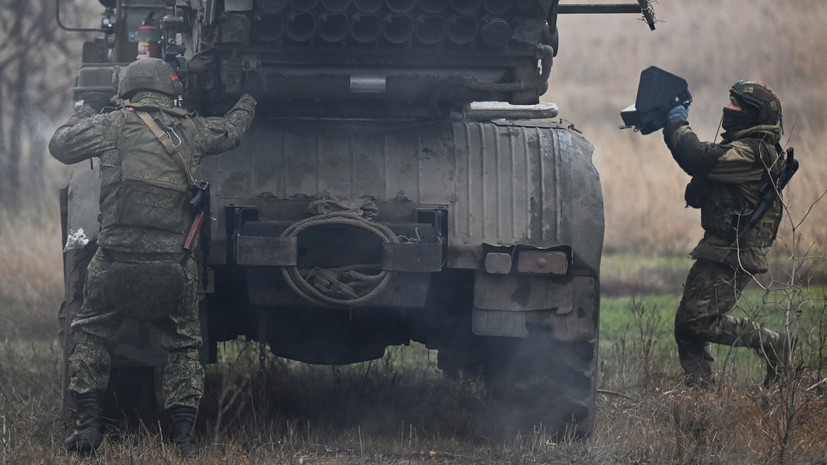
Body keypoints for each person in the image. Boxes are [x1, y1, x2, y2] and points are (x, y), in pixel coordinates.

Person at [49, 58, 257, 456]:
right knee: (182, 346)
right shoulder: (192, 129)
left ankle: (88, 427)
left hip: (113, 263)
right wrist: (250, 96)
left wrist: (90, 107)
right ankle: (184, 439)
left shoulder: (111, 125)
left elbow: (60, 144)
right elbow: (233, 130)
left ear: (126, 91)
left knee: (90, 332)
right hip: (172, 268)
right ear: (169, 92)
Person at [662, 80, 795, 388]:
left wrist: (678, 123)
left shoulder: (754, 152)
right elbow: (696, 169)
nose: (728, 108)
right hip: (719, 247)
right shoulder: (742, 147)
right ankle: (700, 397)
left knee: (697, 322)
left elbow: (697, 157)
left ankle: (772, 343)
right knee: (687, 325)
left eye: (736, 104)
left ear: (751, 115)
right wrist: (671, 130)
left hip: (733, 252)